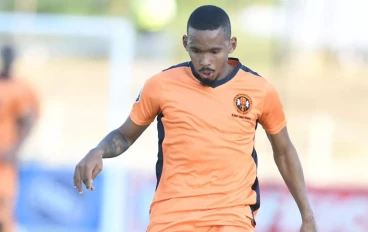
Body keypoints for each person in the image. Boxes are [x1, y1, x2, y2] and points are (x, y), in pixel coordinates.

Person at [73, 5, 318, 232]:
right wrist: (98, 151)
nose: (205, 61)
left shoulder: (259, 90)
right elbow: (125, 135)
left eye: (215, 51)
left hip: (231, 217)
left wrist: (306, 214)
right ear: (185, 43)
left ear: (231, 45)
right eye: (197, 51)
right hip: (171, 217)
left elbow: (284, 151)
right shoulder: (161, 86)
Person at [0, 45, 39, 232]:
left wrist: (14, 149)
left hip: (4, 162)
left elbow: (28, 120)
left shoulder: (19, 89)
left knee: (3, 211)